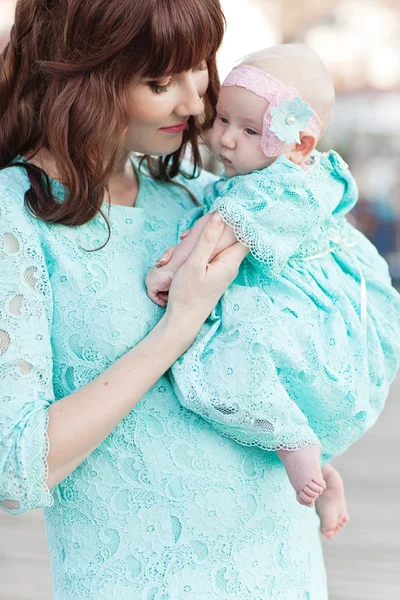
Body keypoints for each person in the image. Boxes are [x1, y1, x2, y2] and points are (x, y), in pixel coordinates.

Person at [0, 3, 368, 598]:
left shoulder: (199, 194)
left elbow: (317, 190)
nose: (196, 103)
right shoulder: (14, 217)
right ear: (80, 77)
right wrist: (177, 328)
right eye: (159, 82)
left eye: (198, 68)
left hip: (283, 568)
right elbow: (16, 471)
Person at [146, 44, 400, 509]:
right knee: (268, 375)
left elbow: (219, 226)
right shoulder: (300, 172)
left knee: (231, 359)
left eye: (248, 130)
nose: (224, 139)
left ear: (299, 144)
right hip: (300, 294)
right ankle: (318, 467)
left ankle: (294, 443)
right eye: (222, 119)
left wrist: (171, 266)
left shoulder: (283, 185)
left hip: (300, 302)